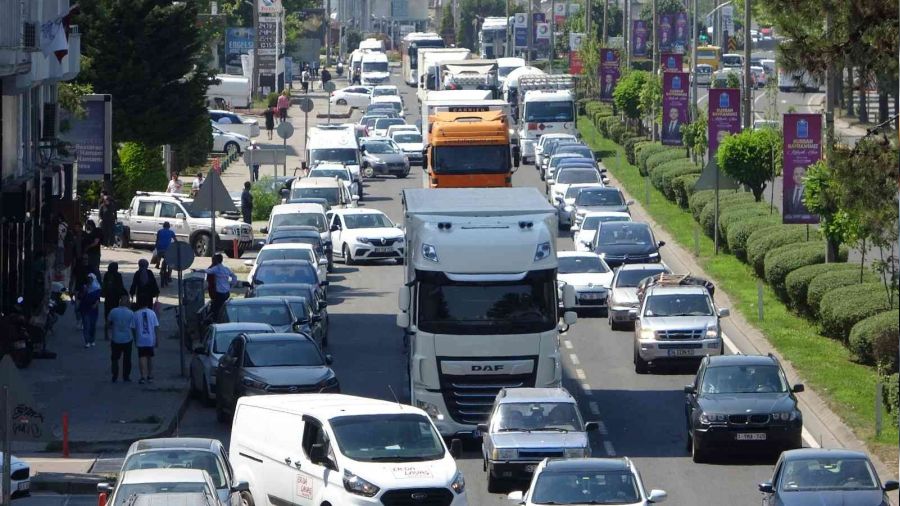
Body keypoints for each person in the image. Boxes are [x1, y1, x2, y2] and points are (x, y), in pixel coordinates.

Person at [108, 295, 135, 382]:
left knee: (115, 358)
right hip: (127, 338)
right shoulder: (131, 313)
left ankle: (115, 374)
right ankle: (126, 376)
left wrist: (107, 335)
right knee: (127, 359)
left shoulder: (113, 311)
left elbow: (108, 323)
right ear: (128, 303)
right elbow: (133, 327)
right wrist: (135, 338)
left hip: (116, 338)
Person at [204, 253, 238, 320]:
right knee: (221, 307)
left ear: (215, 260)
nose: (212, 261)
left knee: (216, 309)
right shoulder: (225, 269)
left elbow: (209, 277)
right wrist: (231, 285)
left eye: (213, 259)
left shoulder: (215, 268)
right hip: (226, 292)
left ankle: (215, 320)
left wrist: (196, 270)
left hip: (218, 293)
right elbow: (234, 276)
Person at [132, 301, 159, 384]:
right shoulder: (152, 313)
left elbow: (133, 328)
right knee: (150, 357)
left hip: (140, 338)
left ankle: (143, 376)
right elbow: (156, 327)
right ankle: (150, 375)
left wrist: (135, 338)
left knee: (142, 357)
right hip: (150, 339)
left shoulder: (136, 314)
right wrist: (157, 338)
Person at [102, 262, 128, 340]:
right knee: (114, 309)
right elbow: (120, 286)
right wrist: (124, 293)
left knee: (107, 310)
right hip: (115, 296)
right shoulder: (118, 275)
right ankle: (113, 323)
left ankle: (107, 324)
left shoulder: (107, 274)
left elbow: (104, 284)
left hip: (108, 296)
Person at [79, 273, 102, 348]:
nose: (89, 280)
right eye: (88, 279)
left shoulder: (97, 288)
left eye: (91, 279)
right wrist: (85, 291)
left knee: (92, 325)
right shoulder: (84, 287)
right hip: (85, 308)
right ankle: (87, 341)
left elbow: (98, 298)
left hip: (93, 310)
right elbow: (80, 296)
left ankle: (92, 340)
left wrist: (95, 304)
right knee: (86, 325)